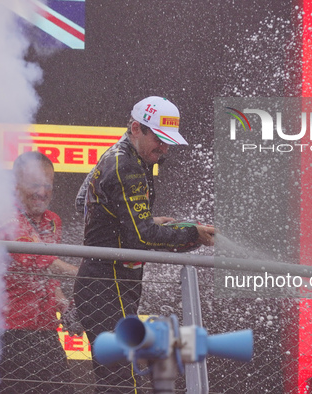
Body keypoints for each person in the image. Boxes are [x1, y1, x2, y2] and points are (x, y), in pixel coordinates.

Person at [73, 96, 215, 393]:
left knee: (116, 381)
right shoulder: (126, 164)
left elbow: (82, 202)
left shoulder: (123, 153)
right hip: (105, 285)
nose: (164, 148)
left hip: (107, 283)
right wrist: (193, 234)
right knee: (126, 383)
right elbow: (142, 237)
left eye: (168, 142)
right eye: (159, 139)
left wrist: (132, 218)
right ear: (137, 128)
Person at [0, 151, 78, 393]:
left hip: (45, 329)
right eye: (34, 185)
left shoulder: (53, 220)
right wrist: (89, 274)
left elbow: (48, 276)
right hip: (8, 332)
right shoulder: (5, 216)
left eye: (47, 185)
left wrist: (64, 305)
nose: (42, 192)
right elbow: (38, 260)